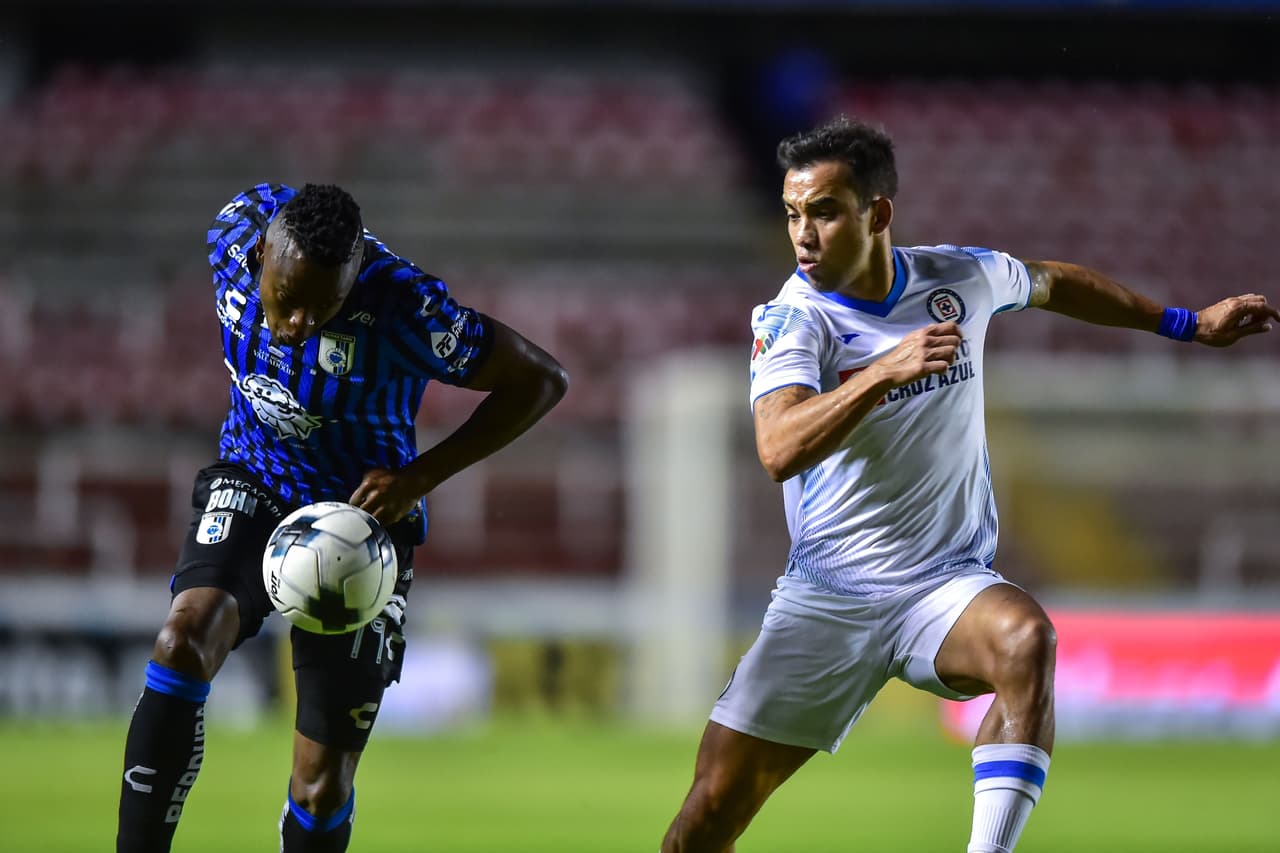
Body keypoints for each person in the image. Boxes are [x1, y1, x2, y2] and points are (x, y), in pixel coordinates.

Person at [660, 117, 1277, 853]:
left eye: (824, 212)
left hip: (942, 585)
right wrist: (882, 373)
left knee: (1026, 639)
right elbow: (777, 447)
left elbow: (1054, 282)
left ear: (877, 214)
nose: (803, 235)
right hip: (830, 597)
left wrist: (1184, 322)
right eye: (793, 214)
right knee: (704, 823)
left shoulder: (958, 278)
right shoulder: (795, 320)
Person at [116, 183, 568, 853]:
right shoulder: (233, 231)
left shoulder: (406, 306)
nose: (298, 322)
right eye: (286, 298)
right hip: (255, 476)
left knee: (320, 784)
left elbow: (542, 378)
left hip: (359, 524)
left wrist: (419, 479)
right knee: (181, 640)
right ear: (260, 254)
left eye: (321, 307)